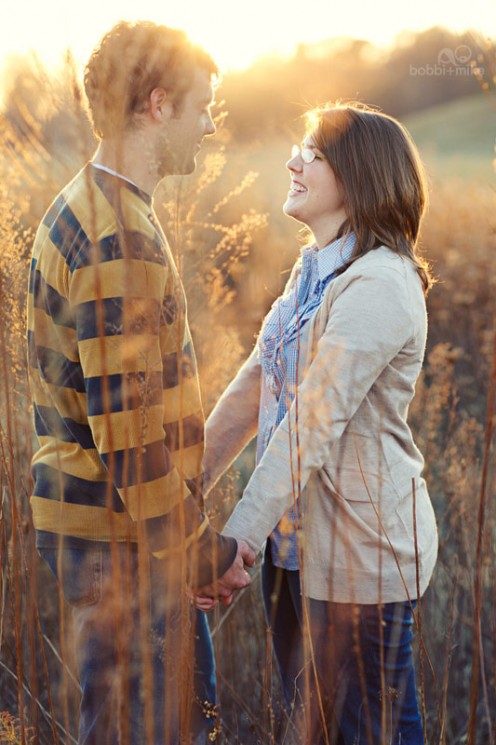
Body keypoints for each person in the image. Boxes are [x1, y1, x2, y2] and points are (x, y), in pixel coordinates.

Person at [27, 21, 254, 745]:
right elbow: (128, 434)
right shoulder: (117, 234)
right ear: (159, 105)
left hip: (117, 540)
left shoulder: (85, 203)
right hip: (123, 548)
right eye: (201, 107)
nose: (209, 125)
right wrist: (202, 552)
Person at [198, 102, 438, 744]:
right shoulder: (313, 271)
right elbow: (255, 385)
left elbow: (312, 420)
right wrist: (183, 491)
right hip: (293, 553)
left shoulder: (380, 283)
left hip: (360, 559)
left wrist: (236, 539)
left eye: (313, 152)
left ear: (358, 176)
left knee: (372, 733)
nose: (292, 162)